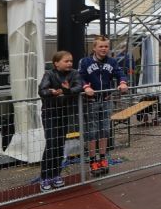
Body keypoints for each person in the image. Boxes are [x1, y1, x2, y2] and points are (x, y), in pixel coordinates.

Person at [79, 36, 128, 176]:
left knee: (105, 130)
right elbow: (79, 76)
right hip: (91, 101)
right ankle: (92, 161)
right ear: (94, 47)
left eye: (106, 46)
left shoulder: (112, 61)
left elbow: (120, 73)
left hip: (106, 100)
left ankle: (102, 158)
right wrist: (86, 86)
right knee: (92, 132)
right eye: (101, 46)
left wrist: (123, 82)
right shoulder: (85, 61)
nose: (104, 49)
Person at [38, 51, 82, 192]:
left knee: (60, 144)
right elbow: (42, 90)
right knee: (51, 144)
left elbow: (78, 87)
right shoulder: (49, 74)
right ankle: (45, 177)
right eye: (66, 61)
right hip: (50, 114)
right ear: (56, 63)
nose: (69, 63)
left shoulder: (74, 73)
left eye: (71, 61)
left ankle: (56, 174)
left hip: (64, 113)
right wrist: (51, 92)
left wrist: (65, 91)